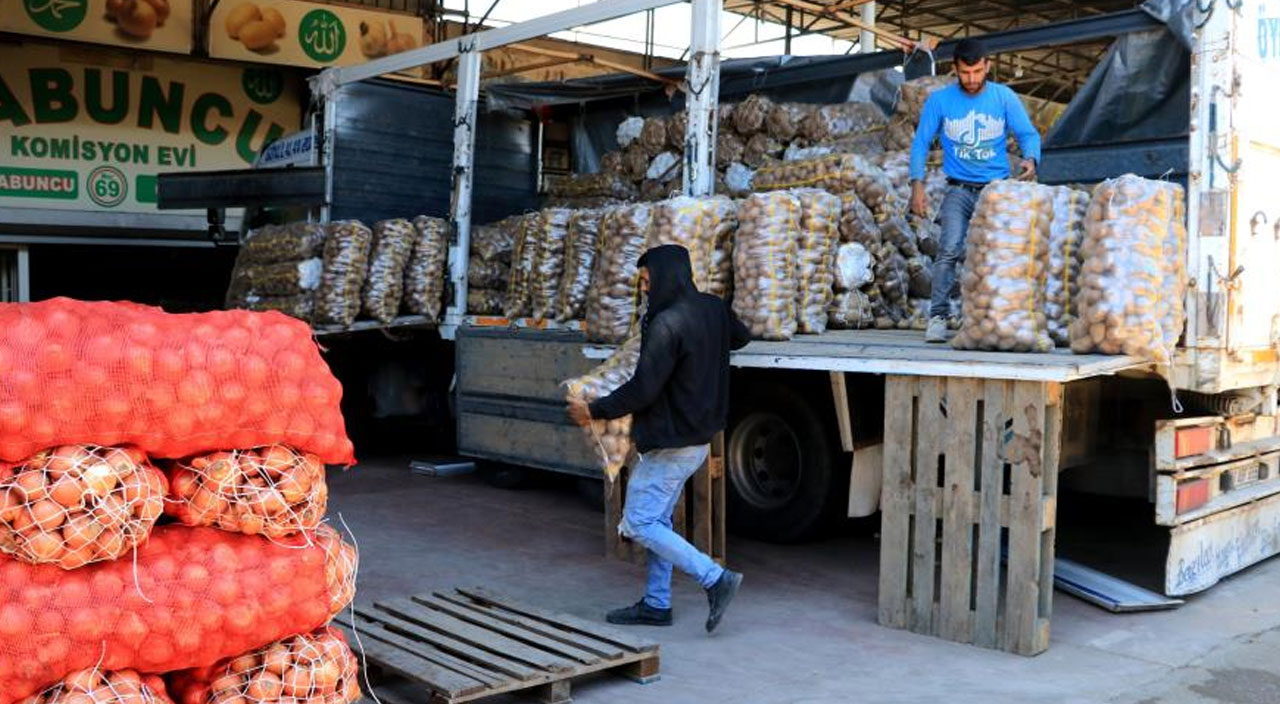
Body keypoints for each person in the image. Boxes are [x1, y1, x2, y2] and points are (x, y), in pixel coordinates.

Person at [568, 244, 749, 633]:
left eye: (648, 281)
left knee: (638, 522)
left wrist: (593, 410)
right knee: (659, 520)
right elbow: (742, 336)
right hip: (697, 441)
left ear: (666, 277)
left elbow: (643, 390)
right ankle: (656, 603)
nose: (644, 289)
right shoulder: (713, 308)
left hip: (672, 443)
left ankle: (715, 579)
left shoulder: (667, 323)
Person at [909, 37, 1042, 343]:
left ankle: (991, 317)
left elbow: (1027, 134)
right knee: (949, 250)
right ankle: (939, 317)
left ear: (987, 67)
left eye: (978, 72)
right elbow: (920, 143)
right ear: (954, 69)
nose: (971, 79)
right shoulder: (940, 101)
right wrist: (917, 185)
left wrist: (1031, 159)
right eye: (965, 73)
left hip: (996, 191)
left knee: (996, 253)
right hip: (957, 189)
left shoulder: (1004, 97)